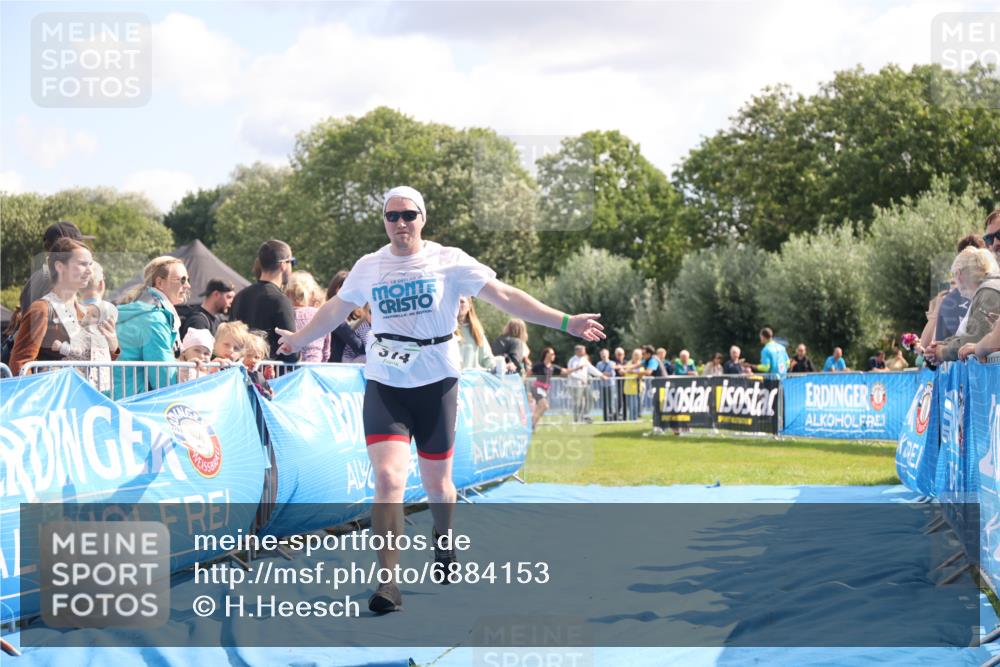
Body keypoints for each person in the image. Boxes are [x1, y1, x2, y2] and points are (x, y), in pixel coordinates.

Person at [275, 185, 604, 615]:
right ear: (385, 222)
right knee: (390, 480)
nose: (400, 224)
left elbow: (505, 296)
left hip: (437, 381)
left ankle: (443, 537)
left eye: (408, 215)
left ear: (423, 218)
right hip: (386, 382)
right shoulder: (370, 266)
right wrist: (299, 339)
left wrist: (566, 322)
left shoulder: (449, 260)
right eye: (391, 216)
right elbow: (336, 308)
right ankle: (388, 582)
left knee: (438, 486)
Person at [9, 238, 113, 377]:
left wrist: (112, 344)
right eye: (82, 264)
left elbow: (96, 362)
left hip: (83, 395)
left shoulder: (85, 312)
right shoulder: (42, 309)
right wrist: (41, 396)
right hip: (53, 395)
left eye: (90, 264)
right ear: (60, 266)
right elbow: (20, 364)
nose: (89, 271)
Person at [113, 256, 190, 398]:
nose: (188, 286)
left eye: (188, 280)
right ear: (160, 283)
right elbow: (164, 381)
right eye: (182, 280)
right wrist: (195, 377)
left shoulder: (146, 308)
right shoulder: (155, 320)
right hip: (128, 403)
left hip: (114, 398)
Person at [928, 247, 1000, 363]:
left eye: (954, 277)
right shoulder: (985, 292)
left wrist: (943, 352)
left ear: (959, 274)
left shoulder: (988, 293)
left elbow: (976, 338)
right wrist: (944, 345)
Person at [230, 240, 298, 363]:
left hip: (240, 373)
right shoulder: (280, 300)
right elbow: (291, 350)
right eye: (292, 262)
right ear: (283, 265)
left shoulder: (239, 296)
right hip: (270, 375)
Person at [18, 221, 94, 314]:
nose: (83, 247)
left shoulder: (38, 277)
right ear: (65, 245)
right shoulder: (54, 280)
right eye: (79, 244)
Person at [286, 271, 330, 363]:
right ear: (313, 294)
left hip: (291, 372)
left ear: (288, 293)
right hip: (314, 369)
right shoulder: (322, 315)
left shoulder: (286, 315)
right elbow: (326, 352)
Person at [325, 270, 366, 363]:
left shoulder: (350, 317)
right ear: (336, 289)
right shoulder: (334, 315)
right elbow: (359, 346)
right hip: (335, 370)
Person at [456, 296, 495, 371]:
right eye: (455, 301)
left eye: (462, 302)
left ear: (469, 305)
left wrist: (498, 367)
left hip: (472, 380)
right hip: (452, 380)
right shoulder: (445, 329)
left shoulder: (476, 330)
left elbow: (486, 358)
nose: (458, 304)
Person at [567, 345, 604, 423]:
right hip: (575, 385)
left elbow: (591, 368)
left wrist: (601, 375)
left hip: (584, 384)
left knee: (590, 398)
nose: (585, 352)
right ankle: (577, 419)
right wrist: (580, 378)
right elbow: (570, 373)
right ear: (577, 351)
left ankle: (585, 416)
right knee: (578, 403)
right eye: (583, 350)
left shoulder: (584, 360)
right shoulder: (572, 360)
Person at [595, 348, 619, 421]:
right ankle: (605, 418)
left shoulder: (612, 363)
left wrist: (604, 374)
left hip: (611, 385)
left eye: (605, 354)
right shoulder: (598, 364)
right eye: (602, 354)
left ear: (608, 355)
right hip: (603, 385)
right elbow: (597, 373)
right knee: (604, 403)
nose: (603, 356)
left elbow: (613, 374)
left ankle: (612, 418)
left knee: (611, 402)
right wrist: (604, 374)